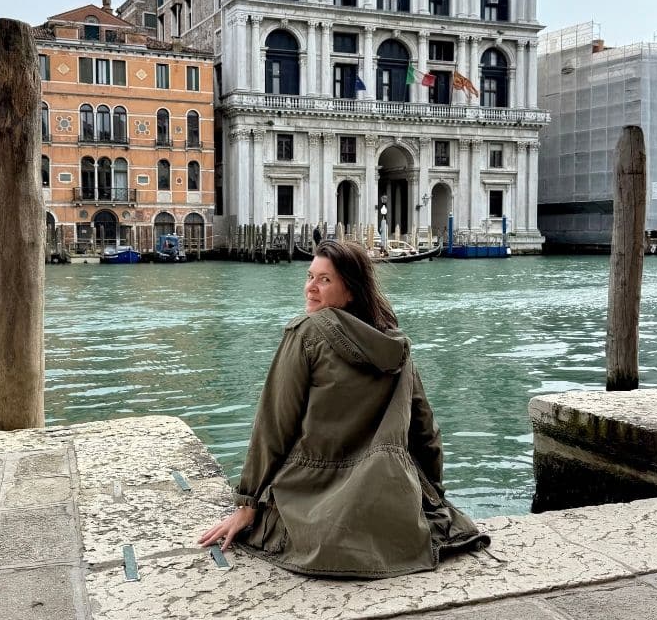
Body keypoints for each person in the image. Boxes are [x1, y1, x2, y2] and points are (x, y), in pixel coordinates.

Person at [198, 240, 489, 578]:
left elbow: (274, 426)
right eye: (310, 276)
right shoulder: (396, 345)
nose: (310, 287)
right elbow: (425, 431)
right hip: (387, 502)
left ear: (350, 291)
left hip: (314, 504)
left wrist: (246, 504)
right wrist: (430, 498)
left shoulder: (305, 334)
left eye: (324, 280)